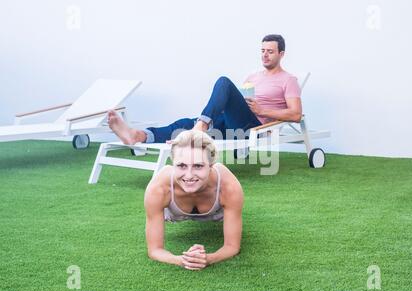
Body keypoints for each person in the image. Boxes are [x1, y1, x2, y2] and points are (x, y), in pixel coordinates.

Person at [107, 34, 302, 144]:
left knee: (224, 82)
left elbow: (296, 115)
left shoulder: (288, 79)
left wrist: (263, 110)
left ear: (281, 54)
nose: (265, 55)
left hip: (252, 126)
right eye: (262, 51)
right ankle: (138, 135)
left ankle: (200, 127)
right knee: (182, 124)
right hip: (229, 120)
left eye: (270, 52)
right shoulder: (252, 76)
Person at [144, 130, 244, 270]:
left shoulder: (228, 187)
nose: (189, 175)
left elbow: (232, 246)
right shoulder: (159, 189)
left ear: (211, 165)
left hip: (218, 212)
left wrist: (208, 258)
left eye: (198, 166)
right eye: (181, 165)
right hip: (173, 211)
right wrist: (182, 260)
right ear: (173, 163)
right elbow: (154, 250)